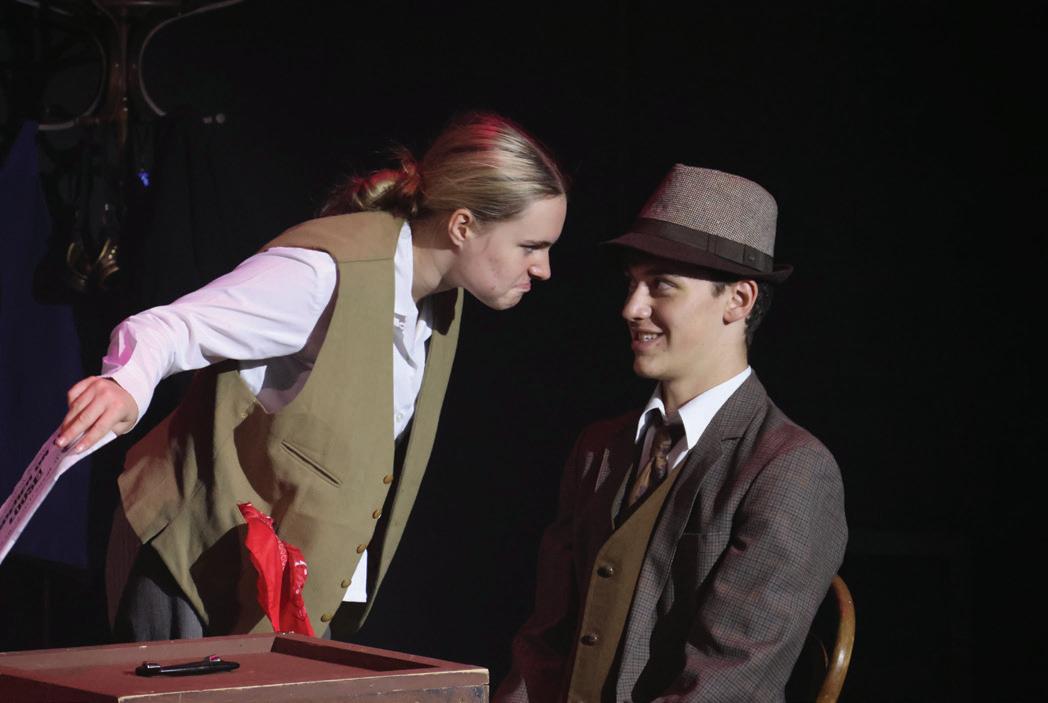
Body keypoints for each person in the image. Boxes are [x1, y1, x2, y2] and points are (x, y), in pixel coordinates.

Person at [55, 112, 568, 641]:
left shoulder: (441, 303)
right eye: (530, 246)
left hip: (269, 586)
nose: (543, 269)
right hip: (190, 558)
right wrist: (125, 386)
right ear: (462, 226)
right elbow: (173, 326)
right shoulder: (326, 274)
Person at [496, 165, 847, 702]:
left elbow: (725, 684)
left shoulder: (790, 469)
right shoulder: (599, 448)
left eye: (661, 285)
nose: (631, 308)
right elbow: (542, 645)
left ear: (739, 300)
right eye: (631, 284)